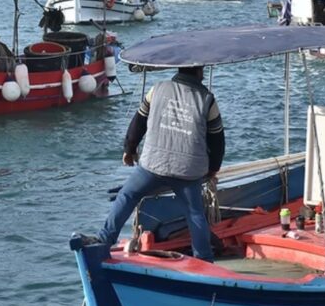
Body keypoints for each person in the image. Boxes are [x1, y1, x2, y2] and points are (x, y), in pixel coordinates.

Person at [92, 66, 225, 261]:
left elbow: (138, 123)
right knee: (194, 213)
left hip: (153, 166)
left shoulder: (157, 89)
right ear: (199, 72)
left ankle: (104, 240)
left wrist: (129, 150)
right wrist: (213, 169)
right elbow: (217, 141)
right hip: (188, 171)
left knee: (127, 195)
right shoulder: (207, 99)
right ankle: (204, 260)